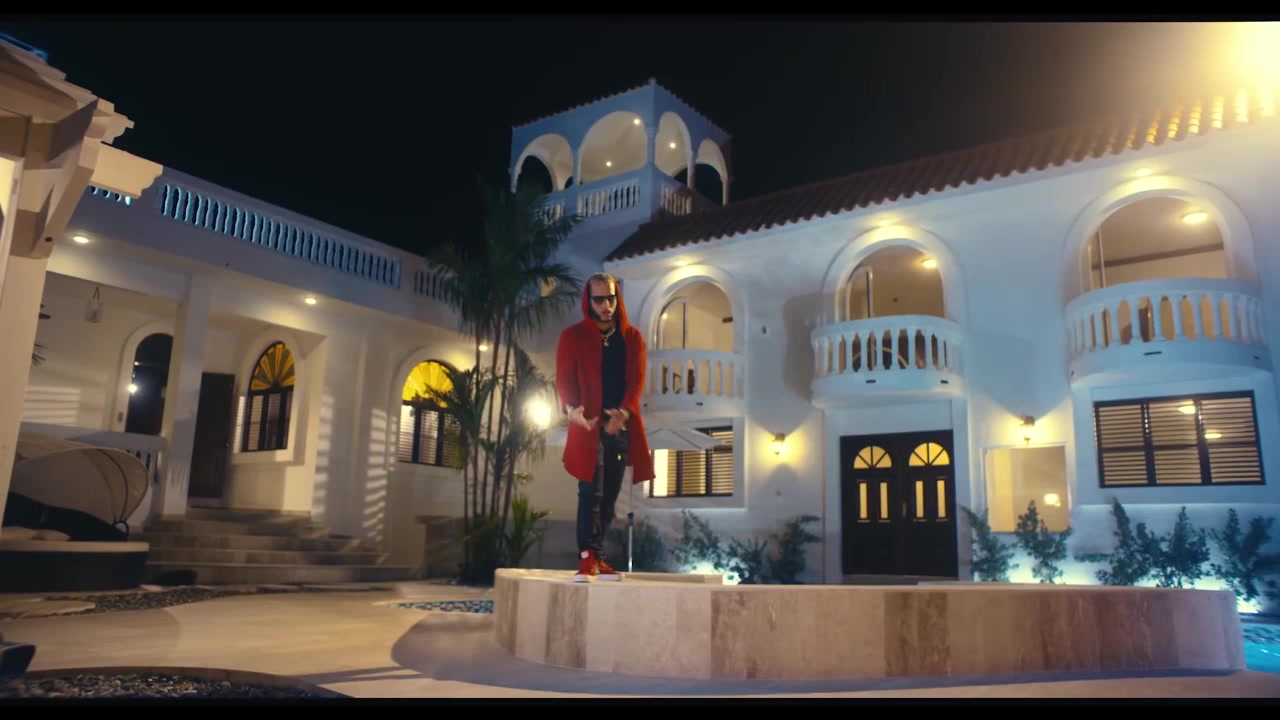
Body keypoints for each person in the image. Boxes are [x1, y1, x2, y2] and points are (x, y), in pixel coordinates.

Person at [555, 271, 655, 582]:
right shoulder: (573, 336)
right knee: (590, 491)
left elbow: (637, 381)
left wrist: (625, 412)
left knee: (610, 494)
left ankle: (598, 556)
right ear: (589, 301)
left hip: (619, 425)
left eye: (610, 298)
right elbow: (564, 379)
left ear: (617, 297)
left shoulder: (632, 338)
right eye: (599, 299)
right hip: (588, 426)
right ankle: (586, 557)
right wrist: (571, 409)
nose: (605, 305)